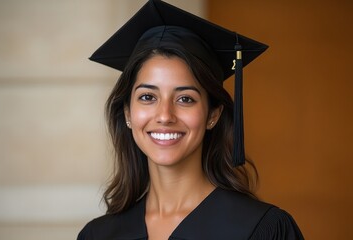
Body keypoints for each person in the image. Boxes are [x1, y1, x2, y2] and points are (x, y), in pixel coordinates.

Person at [78, 0, 304, 239]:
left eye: (185, 99)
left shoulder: (262, 229)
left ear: (213, 115)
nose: (165, 115)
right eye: (147, 97)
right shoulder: (98, 235)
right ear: (127, 114)